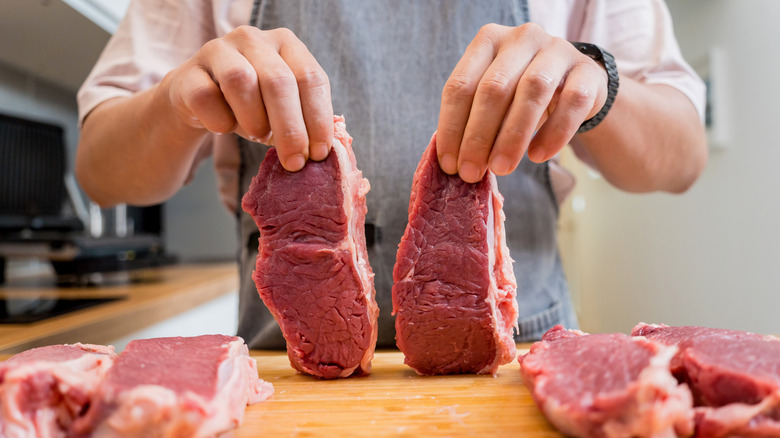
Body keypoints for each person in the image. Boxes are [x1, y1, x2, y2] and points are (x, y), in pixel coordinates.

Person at [75, 0, 707, 349]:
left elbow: (683, 156)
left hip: (518, 356)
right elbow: (102, 172)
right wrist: (174, 102)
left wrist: (594, 84)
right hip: (288, 368)